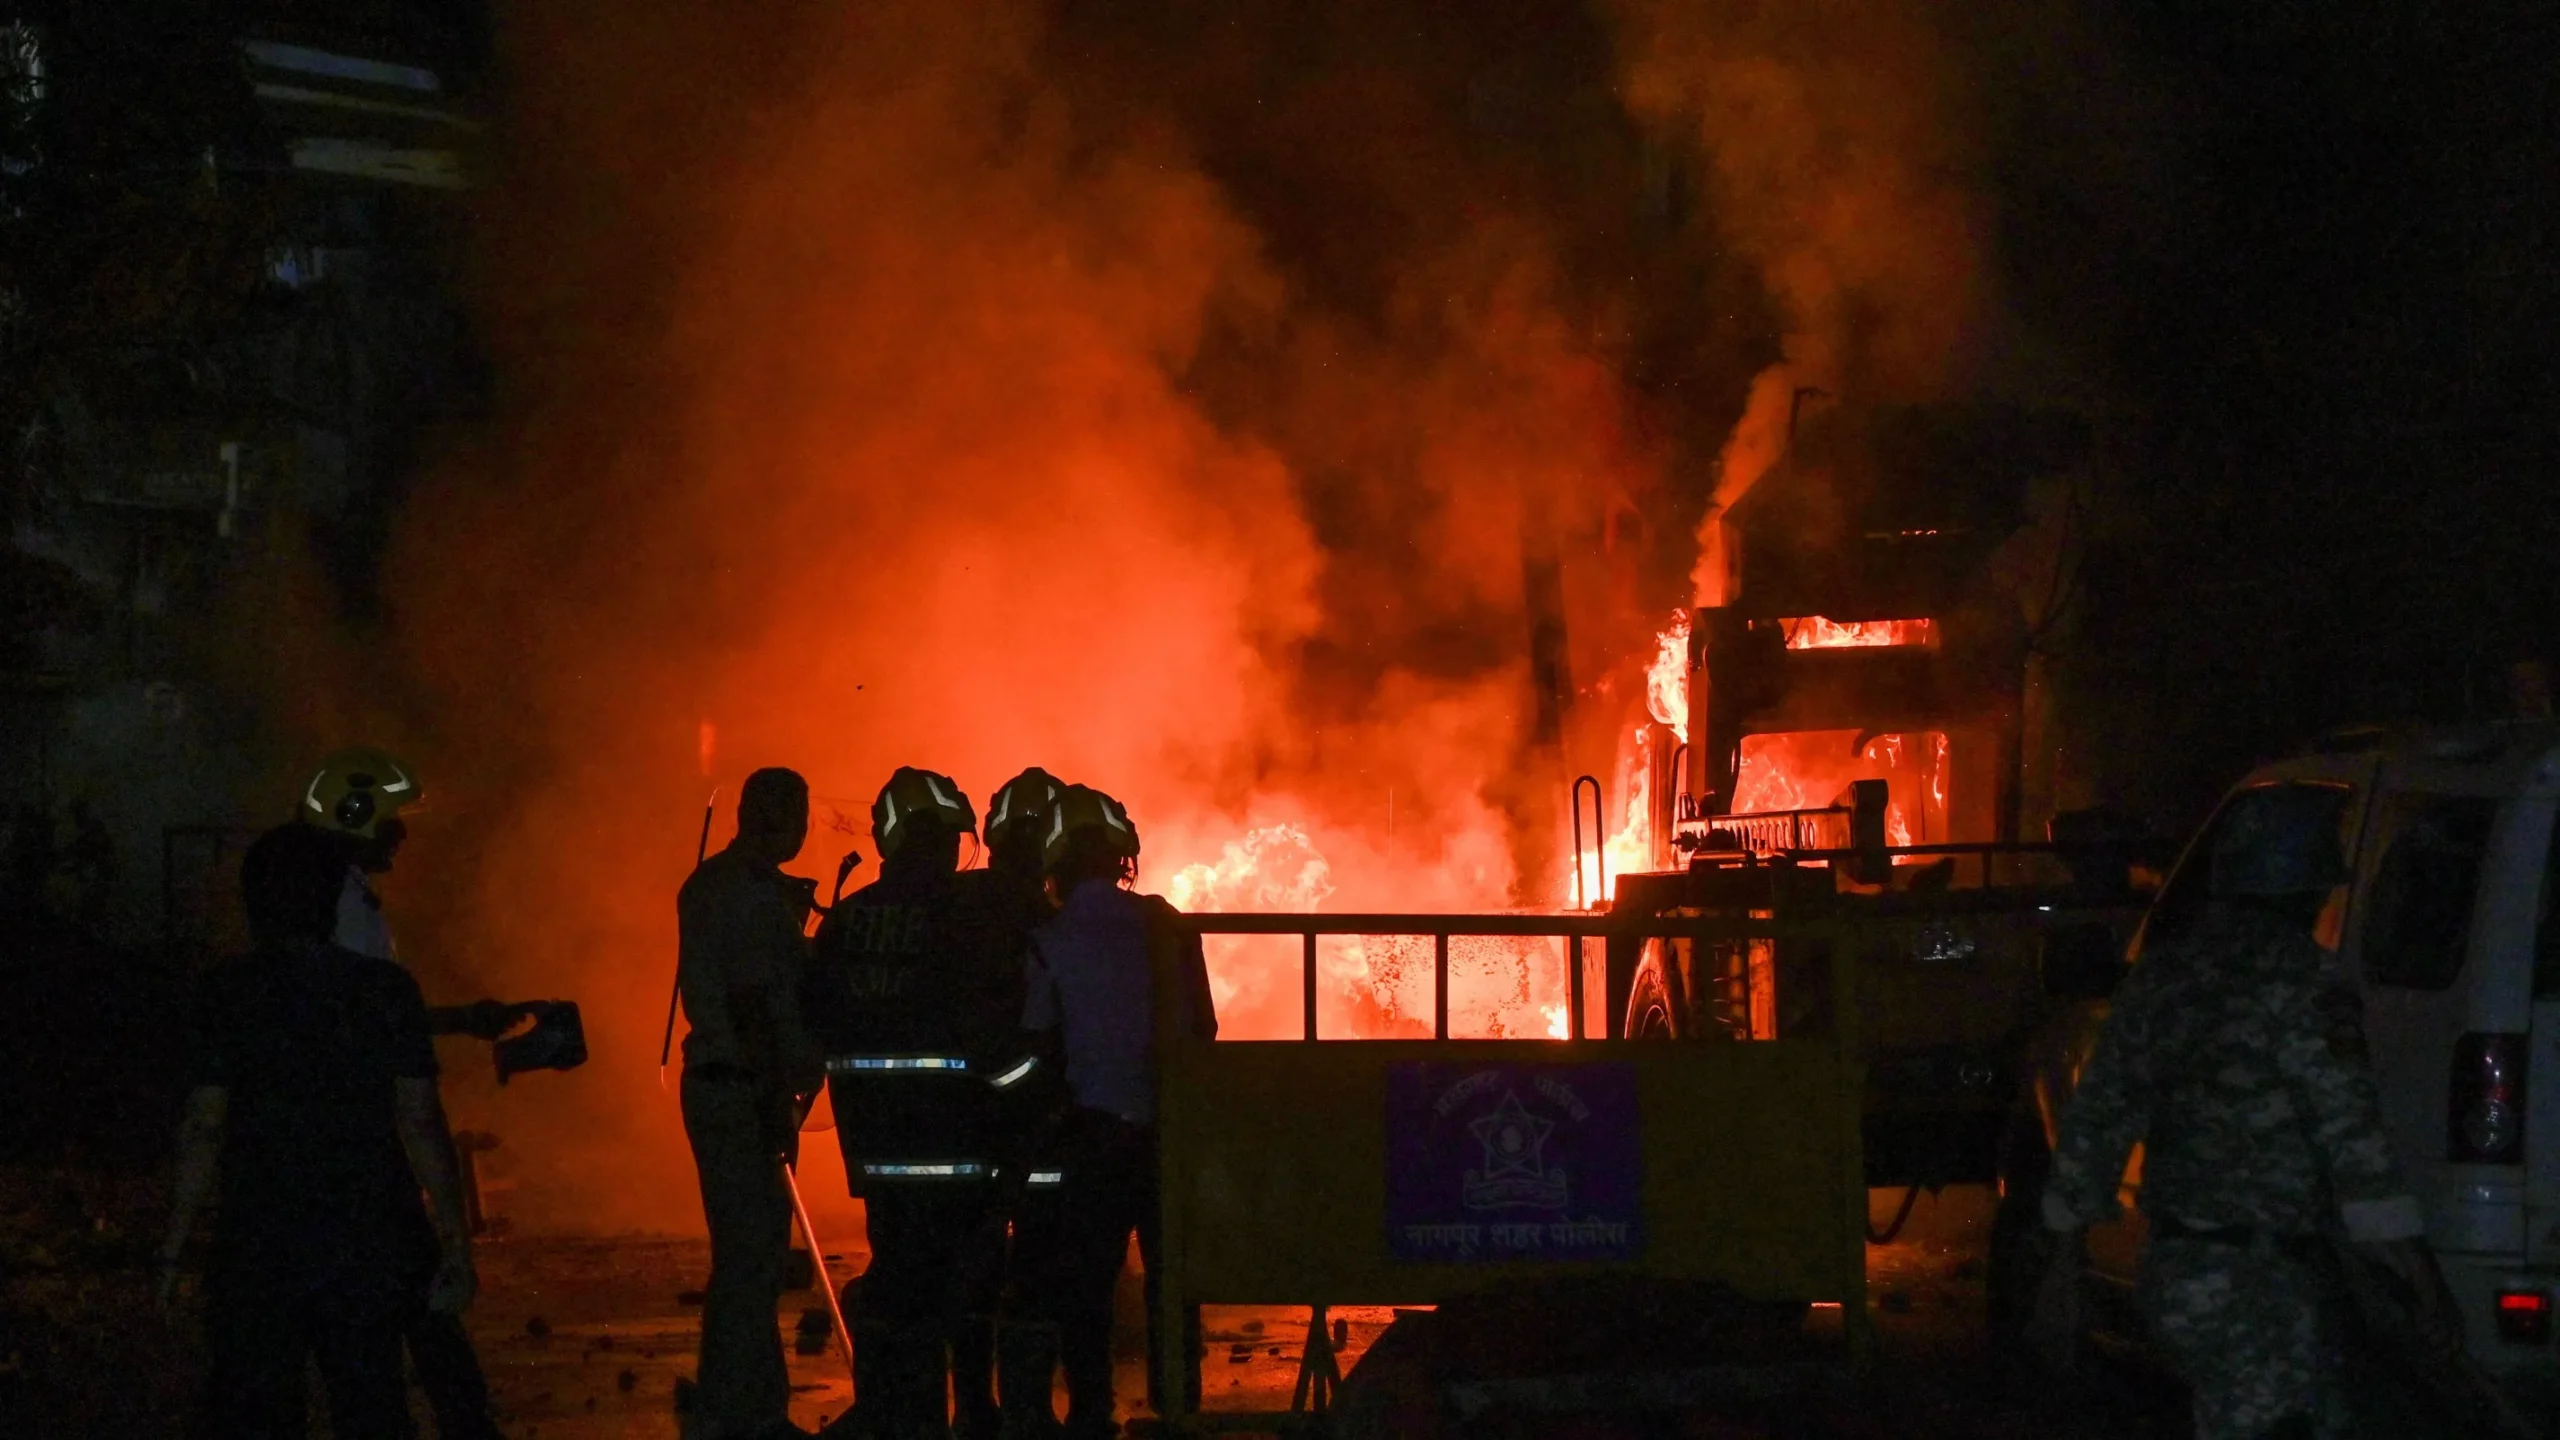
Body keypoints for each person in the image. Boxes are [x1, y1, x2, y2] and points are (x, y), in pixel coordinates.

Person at [2025, 785, 2458, 1439]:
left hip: (2181, 1270)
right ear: (2306, 888)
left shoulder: (2164, 976)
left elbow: (2098, 1118)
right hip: (2260, 1285)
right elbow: (2354, 1142)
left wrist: (2061, 1259)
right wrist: (2417, 1276)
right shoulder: (2305, 983)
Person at [160, 822, 477, 1440]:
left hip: (259, 1240)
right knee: (371, 1406)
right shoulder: (386, 990)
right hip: (365, 1238)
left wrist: (173, 1246)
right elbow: (420, 1121)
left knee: (256, 1412)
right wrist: (454, 1242)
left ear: (254, 904)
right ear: (331, 899)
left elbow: (204, 1125)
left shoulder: (228, 992)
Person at [807, 767, 1043, 1440]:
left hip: (876, 1148)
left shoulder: (847, 920)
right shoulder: (966, 916)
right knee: (970, 1281)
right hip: (957, 1142)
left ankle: (901, 1415)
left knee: (899, 1277)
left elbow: (817, 1021)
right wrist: (1035, 1095)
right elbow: (991, 1028)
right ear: (940, 840)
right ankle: (971, 1410)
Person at [299, 748, 512, 1440]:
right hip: (363, 1132)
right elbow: (374, 1019)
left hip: (343, 1130)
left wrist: (462, 1019)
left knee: (399, 1304)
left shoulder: (335, 898)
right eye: (392, 820)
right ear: (355, 815)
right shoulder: (341, 907)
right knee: (416, 1292)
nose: (402, 834)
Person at [1011, 786, 1216, 1438]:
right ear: (1121, 854)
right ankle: (1179, 1406)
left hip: (1090, 1134)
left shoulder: (1047, 940)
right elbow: (1205, 1029)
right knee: (1172, 1275)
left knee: (1089, 1283)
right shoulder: (1168, 925)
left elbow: (1038, 1041)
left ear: (1056, 861)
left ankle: (1091, 1413)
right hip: (1168, 1131)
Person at [679, 767, 827, 1440]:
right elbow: (757, 1002)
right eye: (797, 816)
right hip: (743, 1087)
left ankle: (721, 1399)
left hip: (722, 1083)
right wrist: (778, 1092)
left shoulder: (713, 884)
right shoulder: (751, 895)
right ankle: (755, 1414)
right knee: (754, 1258)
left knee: (741, 1255)